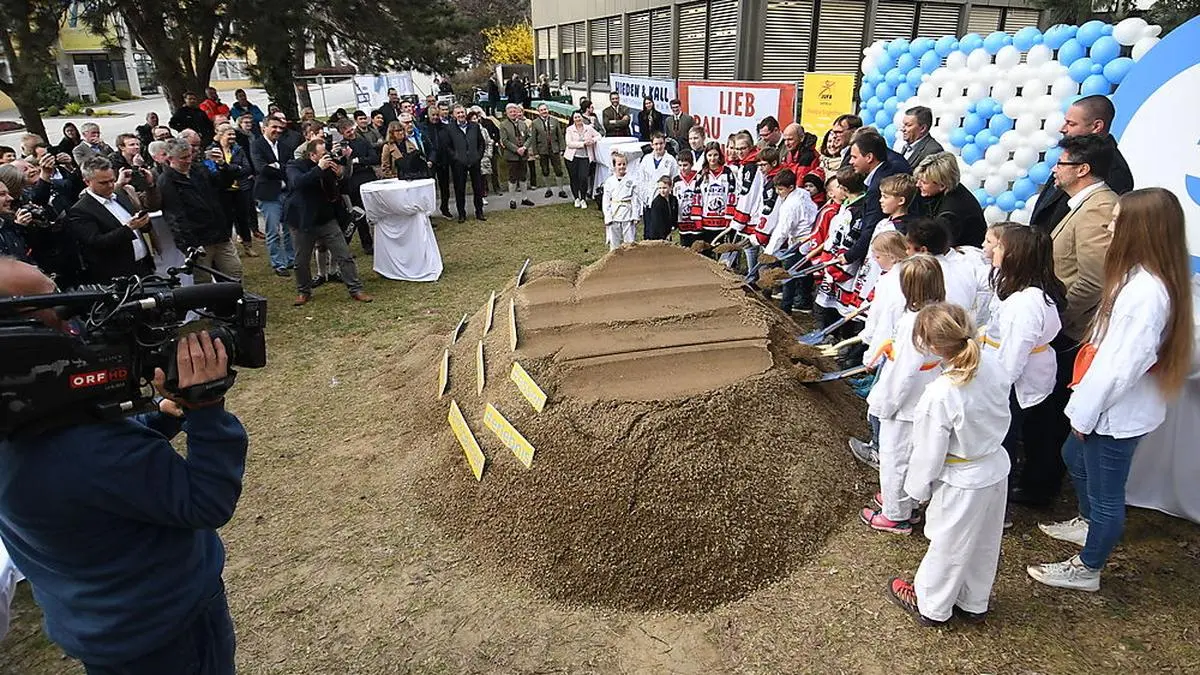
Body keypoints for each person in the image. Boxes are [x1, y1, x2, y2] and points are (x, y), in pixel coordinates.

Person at [0, 256, 248, 671]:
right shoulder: (77, 450)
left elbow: (103, 474)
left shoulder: (24, 423)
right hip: (165, 628)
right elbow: (206, 502)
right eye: (50, 305)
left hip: (100, 623)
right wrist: (207, 411)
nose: (72, 318)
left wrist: (160, 416)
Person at [1027, 188, 1193, 591]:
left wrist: (1085, 414)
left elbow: (1121, 366)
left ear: (1143, 230)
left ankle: (1088, 567)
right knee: (1074, 457)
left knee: (1107, 494)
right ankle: (1087, 524)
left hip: (1113, 410)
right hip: (1102, 402)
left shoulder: (1146, 294)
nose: (1109, 225)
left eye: (1118, 220)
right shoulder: (1137, 279)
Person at [888, 302, 1012, 626]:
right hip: (994, 466)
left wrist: (917, 489)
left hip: (963, 478)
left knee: (949, 543)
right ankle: (974, 600)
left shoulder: (940, 393)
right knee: (985, 539)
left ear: (930, 346)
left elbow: (929, 452)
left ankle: (931, 604)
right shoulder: (995, 363)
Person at [1013, 134, 1118, 508]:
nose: (1055, 170)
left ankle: (1040, 485)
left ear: (1083, 169)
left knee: (1050, 413)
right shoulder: (1081, 204)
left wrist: (1054, 319)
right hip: (1058, 321)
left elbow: (1094, 278)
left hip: (1068, 330)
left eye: (1061, 164)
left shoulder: (1097, 209)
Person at [861, 254, 946, 534]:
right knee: (911, 455)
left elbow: (903, 373)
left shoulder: (915, 323)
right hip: (926, 390)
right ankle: (905, 503)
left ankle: (895, 514)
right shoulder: (940, 312)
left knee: (894, 456)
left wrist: (884, 404)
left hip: (906, 401)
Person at [981, 224, 1066, 479]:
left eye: (1001, 246)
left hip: (1014, 385)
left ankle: (999, 501)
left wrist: (995, 389)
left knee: (1002, 438)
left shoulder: (1026, 304)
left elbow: (1013, 357)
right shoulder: (1018, 288)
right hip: (1007, 371)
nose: (995, 249)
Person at [284, 138, 373, 306]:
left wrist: (343, 165)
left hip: (326, 218)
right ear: (312, 155)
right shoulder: (294, 166)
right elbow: (298, 183)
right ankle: (304, 291)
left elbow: (343, 183)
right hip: (303, 220)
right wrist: (319, 169)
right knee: (301, 260)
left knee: (344, 255)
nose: (328, 156)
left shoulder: (329, 164)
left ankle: (356, 288)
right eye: (323, 154)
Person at [1029, 95, 1133, 232]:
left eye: (1071, 124)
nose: (1063, 129)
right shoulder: (1071, 154)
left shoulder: (1115, 173)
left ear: (1097, 126)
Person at [157, 138, 243, 282]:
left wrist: (223, 166)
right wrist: (189, 245)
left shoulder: (199, 169)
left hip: (220, 234)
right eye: (183, 158)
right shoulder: (166, 181)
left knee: (234, 271)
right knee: (203, 280)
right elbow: (175, 216)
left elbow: (222, 184)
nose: (188, 160)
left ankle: (235, 303)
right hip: (198, 240)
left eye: (190, 155)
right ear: (170, 158)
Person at [64, 155, 155, 282]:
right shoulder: (80, 210)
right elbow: (96, 242)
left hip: (144, 267)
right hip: (119, 275)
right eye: (103, 183)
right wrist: (129, 228)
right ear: (87, 182)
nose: (110, 185)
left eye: (112, 180)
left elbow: (140, 227)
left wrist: (143, 223)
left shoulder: (119, 195)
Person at [845, 132, 908, 266]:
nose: (850, 162)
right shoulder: (886, 170)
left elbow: (870, 225)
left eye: (854, 157)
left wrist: (850, 255)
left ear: (869, 157)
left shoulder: (877, 187)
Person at [250, 116, 297, 276]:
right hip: (268, 195)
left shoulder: (284, 146)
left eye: (280, 128)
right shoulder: (257, 146)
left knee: (289, 228)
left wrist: (276, 167)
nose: (277, 130)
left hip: (286, 192)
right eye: (274, 127)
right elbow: (261, 168)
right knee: (273, 230)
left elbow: (290, 167)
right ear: (264, 128)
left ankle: (291, 259)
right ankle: (278, 263)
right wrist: (279, 168)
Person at [914, 152, 986, 248]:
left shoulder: (951, 212)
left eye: (924, 182)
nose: (918, 184)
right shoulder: (950, 189)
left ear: (942, 186)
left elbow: (937, 246)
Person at [210, 125, 258, 258]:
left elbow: (247, 168)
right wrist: (235, 169)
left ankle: (248, 246)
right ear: (220, 135)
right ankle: (229, 248)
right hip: (222, 191)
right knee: (226, 221)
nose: (232, 137)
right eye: (229, 135)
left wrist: (225, 167)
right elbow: (214, 171)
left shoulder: (238, 149)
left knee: (243, 219)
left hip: (240, 189)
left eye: (233, 135)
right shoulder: (212, 150)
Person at [334, 118, 380, 253]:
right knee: (360, 214)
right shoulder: (341, 146)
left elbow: (374, 158)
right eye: (347, 131)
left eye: (352, 129)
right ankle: (367, 244)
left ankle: (380, 239)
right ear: (341, 132)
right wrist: (347, 158)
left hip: (369, 178)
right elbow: (341, 165)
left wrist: (358, 160)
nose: (351, 133)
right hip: (353, 182)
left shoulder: (362, 141)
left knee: (375, 210)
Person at [446, 104, 487, 223]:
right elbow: (448, 146)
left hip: (474, 162)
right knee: (460, 189)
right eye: (458, 113)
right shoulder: (450, 128)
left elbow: (481, 143)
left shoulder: (474, 126)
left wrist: (478, 156)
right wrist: (456, 157)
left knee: (478, 188)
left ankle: (479, 212)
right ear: (454, 115)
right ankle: (461, 214)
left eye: (462, 112)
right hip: (459, 163)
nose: (461, 115)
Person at [692, 142, 736, 244]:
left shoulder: (728, 173)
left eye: (715, 155)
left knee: (724, 254)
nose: (712, 158)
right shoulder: (701, 174)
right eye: (710, 155)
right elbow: (697, 199)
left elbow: (732, 196)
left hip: (723, 221)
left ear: (720, 155)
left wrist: (729, 218)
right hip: (706, 222)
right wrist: (698, 221)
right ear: (705, 156)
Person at [498, 103, 536, 209]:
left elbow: (529, 136)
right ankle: (512, 199)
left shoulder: (523, 123)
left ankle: (525, 198)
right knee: (513, 178)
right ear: (507, 113)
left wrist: (524, 148)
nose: (513, 113)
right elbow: (504, 140)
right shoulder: (503, 125)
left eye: (515, 111)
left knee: (523, 176)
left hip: (523, 155)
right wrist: (516, 149)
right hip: (511, 156)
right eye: (511, 112)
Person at [601, 151, 639, 250]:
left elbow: (635, 199)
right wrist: (607, 217)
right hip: (614, 214)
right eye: (619, 164)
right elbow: (606, 201)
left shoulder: (631, 180)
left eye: (623, 164)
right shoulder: (609, 182)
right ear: (614, 166)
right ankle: (614, 261)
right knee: (614, 243)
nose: (622, 166)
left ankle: (631, 259)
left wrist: (635, 215)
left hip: (627, 213)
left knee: (630, 242)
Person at [636, 132, 680, 216]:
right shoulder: (646, 159)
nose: (658, 147)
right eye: (656, 144)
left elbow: (675, 181)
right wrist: (645, 197)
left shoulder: (671, 160)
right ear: (651, 145)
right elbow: (640, 180)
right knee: (649, 228)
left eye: (661, 143)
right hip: (649, 199)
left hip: (664, 198)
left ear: (665, 144)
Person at [423, 104, 453, 220]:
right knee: (430, 188)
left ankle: (445, 208)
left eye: (437, 115)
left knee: (445, 187)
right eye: (433, 115)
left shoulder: (444, 128)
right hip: (430, 161)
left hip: (443, 160)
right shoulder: (424, 128)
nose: (435, 117)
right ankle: (429, 212)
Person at [564, 111, 600, 209]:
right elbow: (569, 143)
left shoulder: (589, 128)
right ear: (573, 119)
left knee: (583, 178)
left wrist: (593, 140)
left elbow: (599, 135)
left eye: (579, 117)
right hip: (572, 158)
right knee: (574, 178)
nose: (578, 119)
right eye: (575, 117)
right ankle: (576, 198)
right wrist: (583, 144)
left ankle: (583, 198)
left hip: (585, 157)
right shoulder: (569, 129)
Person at [530, 104, 567, 199]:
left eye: (545, 109)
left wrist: (562, 148)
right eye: (541, 110)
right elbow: (533, 139)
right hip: (542, 150)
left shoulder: (555, 121)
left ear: (548, 110)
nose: (544, 111)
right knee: (545, 170)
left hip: (554, 149)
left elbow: (560, 135)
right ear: (539, 111)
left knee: (558, 170)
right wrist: (535, 152)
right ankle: (548, 189)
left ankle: (561, 190)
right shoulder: (535, 123)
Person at [898, 106, 944, 170]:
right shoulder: (906, 147)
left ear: (922, 128)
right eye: (903, 125)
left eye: (908, 125)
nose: (903, 129)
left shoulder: (933, 150)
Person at [674, 152, 702, 247]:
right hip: (682, 218)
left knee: (698, 244)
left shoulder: (699, 178)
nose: (682, 168)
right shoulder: (676, 180)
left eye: (685, 165)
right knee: (685, 245)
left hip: (696, 218)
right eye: (680, 165)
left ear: (692, 164)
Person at [642, 176, 677, 241]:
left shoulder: (673, 199)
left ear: (670, 187)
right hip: (657, 235)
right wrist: (664, 236)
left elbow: (674, 214)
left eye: (664, 188)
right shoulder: (656, 202)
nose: (662, 191)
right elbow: (657, 222)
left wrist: (673, 228)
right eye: (660, 188)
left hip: (668, 231)